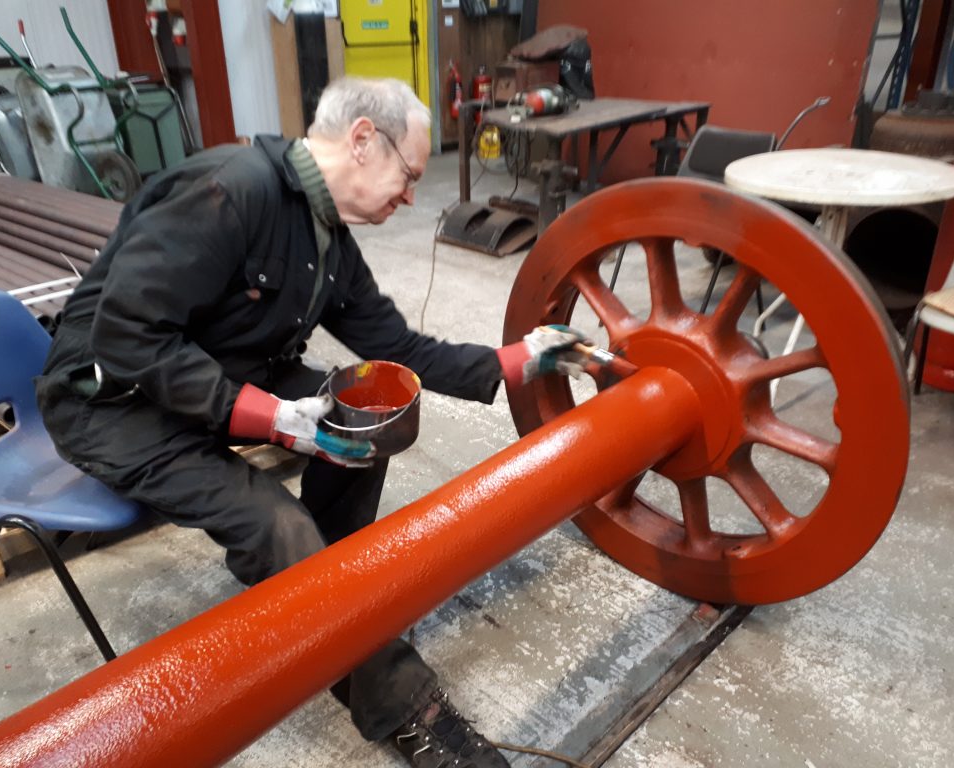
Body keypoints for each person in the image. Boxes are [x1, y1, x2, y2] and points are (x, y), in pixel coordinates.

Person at [35, 76, 588, 768]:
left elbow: (399, 349)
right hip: (112, 403)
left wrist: (521, 359)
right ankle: (401, 701)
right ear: (362, 140)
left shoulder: (326, 237)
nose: (413, 196)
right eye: (410, 175)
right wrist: (270, 416)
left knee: (368, 413)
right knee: (277, 526)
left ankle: (325, 604)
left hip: (212, 370)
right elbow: (127, 339)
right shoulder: (231, 192)